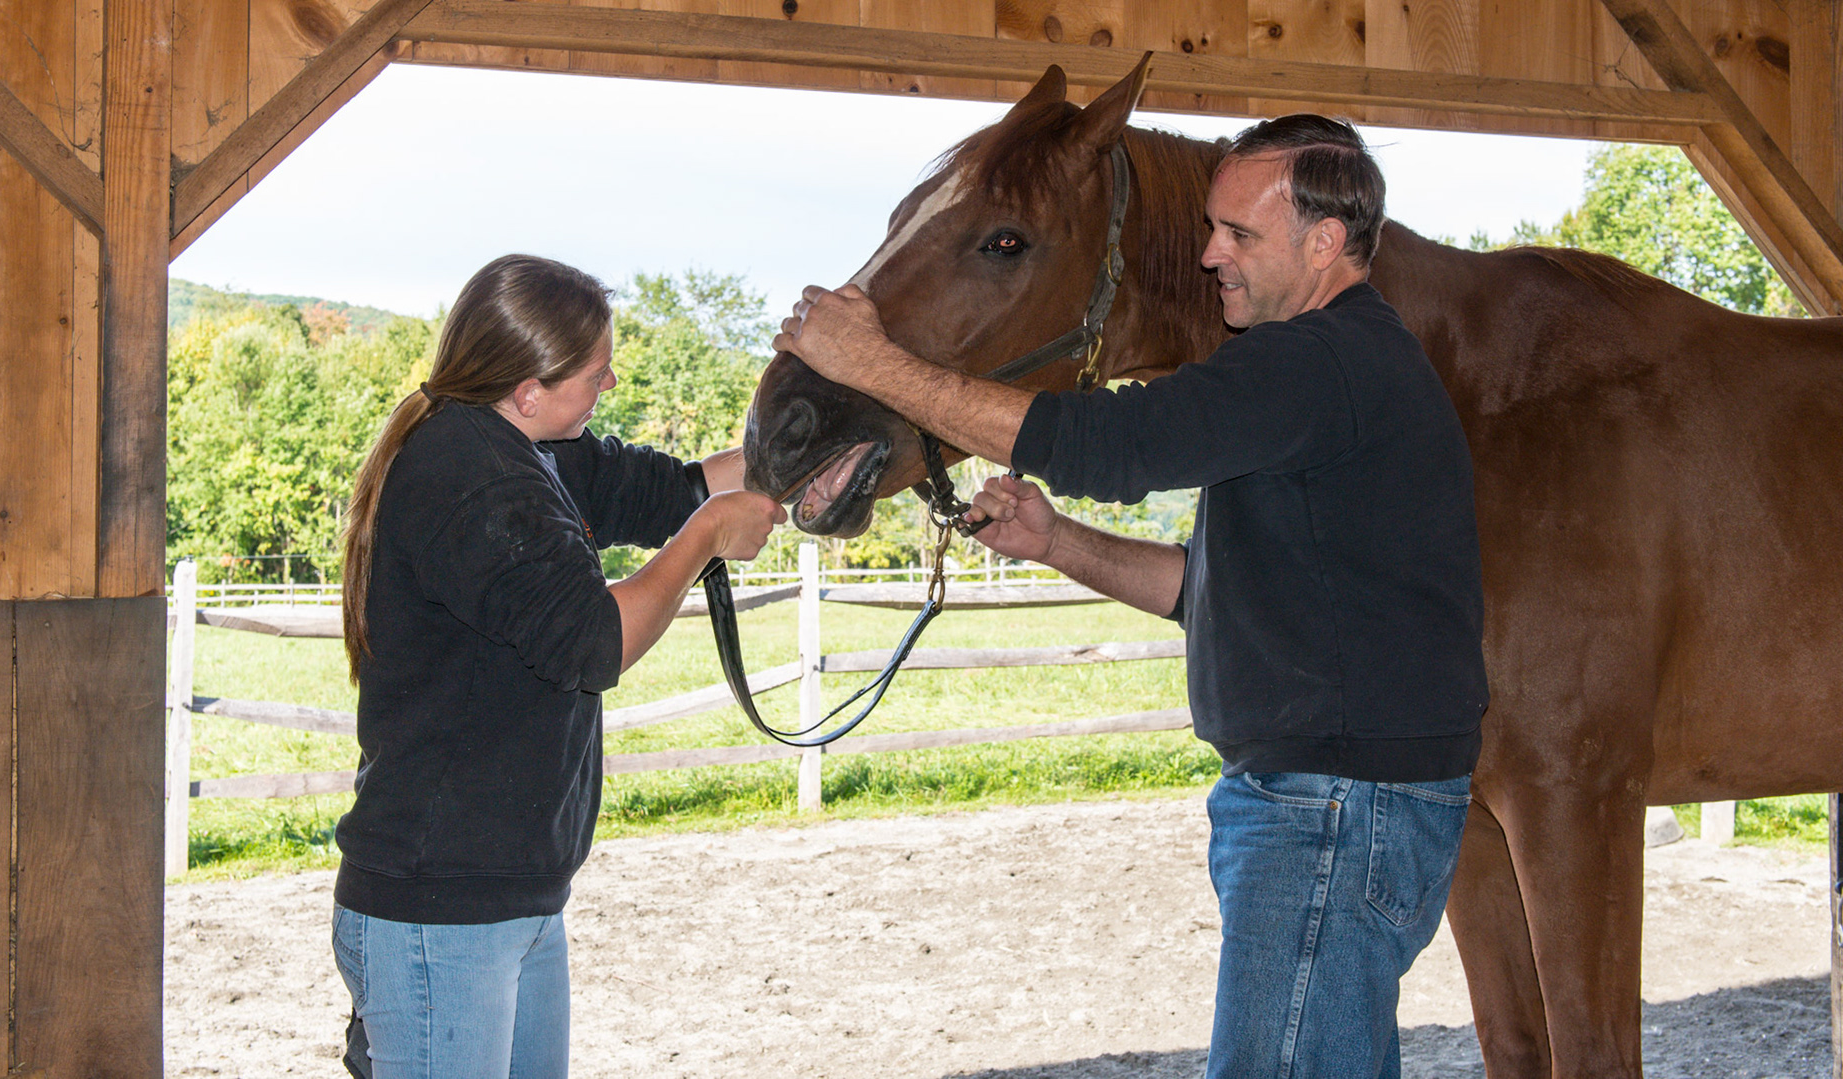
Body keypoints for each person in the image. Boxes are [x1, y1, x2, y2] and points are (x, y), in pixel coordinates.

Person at [774, 115, 1488, 1077]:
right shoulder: (1319, 382)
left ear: (1324, 243)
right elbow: (1213, 593)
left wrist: (874, 367)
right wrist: (1058, 540)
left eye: (1239, 234)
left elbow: (1116, 445)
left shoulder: (1321, 362)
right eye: (1213, 227)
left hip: (1329, 810)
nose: (1208, 255)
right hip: (1328, 803)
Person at [331, 253, 785, 1078]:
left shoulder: (526, 447)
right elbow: (594, 640)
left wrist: (804, 447)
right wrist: (707, 539)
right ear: (529, 388)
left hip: (508, 895)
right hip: (444, 911)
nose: (610, 382)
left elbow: (668, 488)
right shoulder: (468, 477)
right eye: (596, 371)